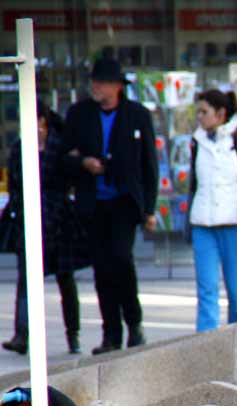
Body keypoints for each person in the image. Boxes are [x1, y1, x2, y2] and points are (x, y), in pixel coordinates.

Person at [63, 57, 158, 355]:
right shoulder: (79, 114)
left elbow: (148, 165)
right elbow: (65, 156)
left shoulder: (137, 115)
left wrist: (149, 208)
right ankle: (110, 333)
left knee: (121, 259)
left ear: (117, 86)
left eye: (101, 82)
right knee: (102, 269)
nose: (95, 87)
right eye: (94, 81)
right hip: (94, 203)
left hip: (124, 202)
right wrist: (84, 162)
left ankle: (134, 322)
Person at [1, 103, 87, 356]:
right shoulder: (20, 148)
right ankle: (22, 334)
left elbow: (70, 178)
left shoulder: (59, 147)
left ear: (44, 122)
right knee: (26, 279)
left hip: (57, 220)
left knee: (65, 278)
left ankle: (73, 334)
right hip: (28, 218)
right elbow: (16, 184)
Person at [188, 89, 237, 332]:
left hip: (234, 224)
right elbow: (193, 184)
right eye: (198, 111)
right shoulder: (196, 143)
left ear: (220, 114)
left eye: (204, 112)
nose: (200, 116)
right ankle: (205, 347)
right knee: (206, 290)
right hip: (203, 225)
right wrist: (190, 221)